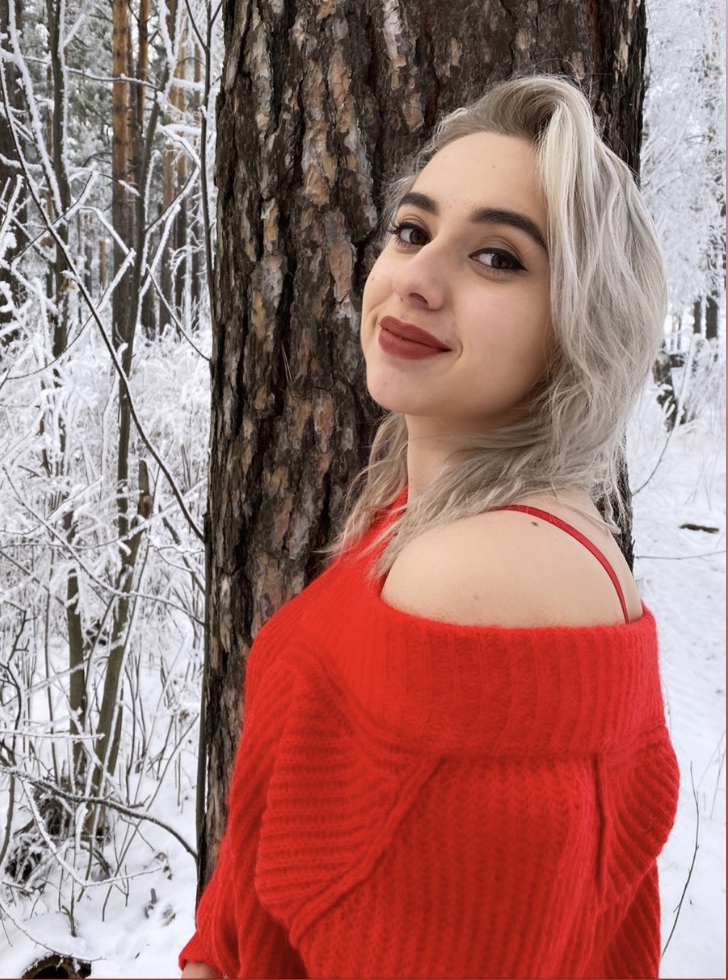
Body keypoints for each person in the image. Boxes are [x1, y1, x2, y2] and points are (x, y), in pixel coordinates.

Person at [179, 75, 680, 979]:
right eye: (413, 231)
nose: (416, 278)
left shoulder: (477, 576)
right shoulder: (436, 510)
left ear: (579, 324)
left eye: (497, 257)